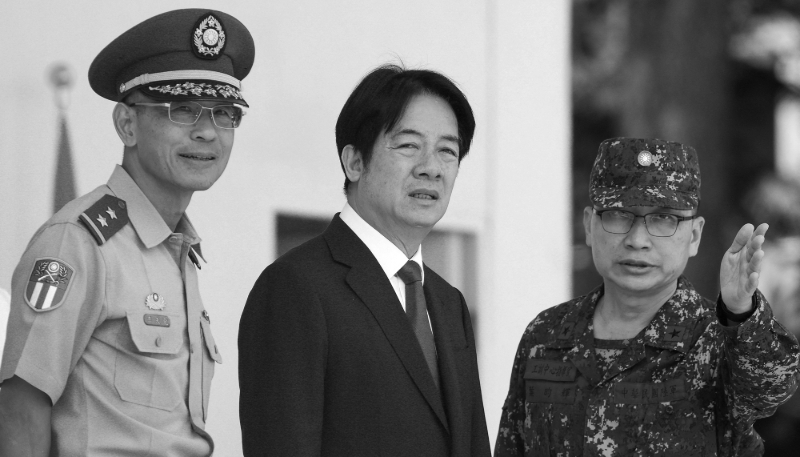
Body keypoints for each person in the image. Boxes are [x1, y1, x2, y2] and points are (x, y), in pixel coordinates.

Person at [0, 9, 254, 456]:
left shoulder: (178, 248)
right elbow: (22, 405)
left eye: (224, 114)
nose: (207, 133)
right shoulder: (78, 242)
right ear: (127, 124)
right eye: (184, 110)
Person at [238, 64, 491, 456]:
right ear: (354, 162)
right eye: (409, 145)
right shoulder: (296, 287)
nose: (431, 168)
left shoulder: (448, 301)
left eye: (448, 151)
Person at [494, 137, 800, 456]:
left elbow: (773, 387)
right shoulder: (546, 335)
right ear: (588, 225)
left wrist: (741, 314)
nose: (637, 240)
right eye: (618, 214)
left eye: (663, 218)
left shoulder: (719, 340)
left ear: (694, 235)